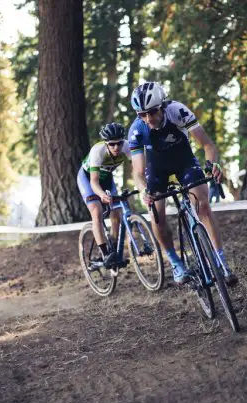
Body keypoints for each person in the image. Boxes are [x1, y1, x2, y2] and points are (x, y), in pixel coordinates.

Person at [128, 81, 237, 286]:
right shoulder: (137, 130)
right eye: (141, 114)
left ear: (162, 106)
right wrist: (144, 191)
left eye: (152, 112)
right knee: (156, 215)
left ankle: (220, 262)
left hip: (184, 162)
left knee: (203, 206)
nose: (148, 119)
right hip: (156, 169)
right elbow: (138, 172)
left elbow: (207, 145)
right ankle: (176, 263)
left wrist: (213, 165)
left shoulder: (178, 111)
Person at [77, 122, 131, 268]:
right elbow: (94, 182)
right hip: (88, 179)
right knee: (97, 211)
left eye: (119, 143)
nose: (116, 147)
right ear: (106, 143)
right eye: (112, 144)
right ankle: (105, 253)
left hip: (107, 178)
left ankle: (114, 247)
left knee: (116, 213)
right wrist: (101, 195)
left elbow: (139, 166)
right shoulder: (98, 151)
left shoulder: (127, 146)